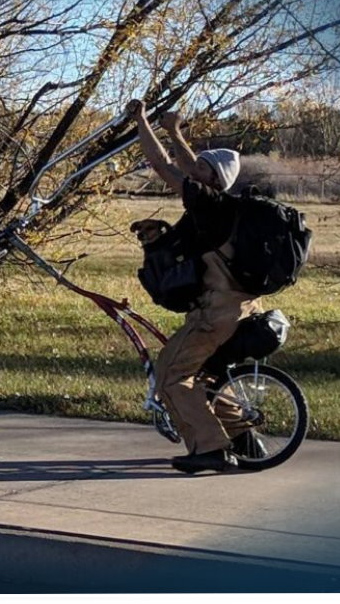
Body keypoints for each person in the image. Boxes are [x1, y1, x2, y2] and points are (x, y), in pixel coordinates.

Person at [126, 99, 263, 473]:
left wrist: (141, 121)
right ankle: (247, 441)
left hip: (215, 312)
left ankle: (211, 449)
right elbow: (186, 166)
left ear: (214, 178)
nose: (192, 167)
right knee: (203, 376)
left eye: (202, 167)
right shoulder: (219, 207)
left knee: (172, 376)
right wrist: (173, 130)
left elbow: (163, 165)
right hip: (236, 307)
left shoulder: (209, 204)